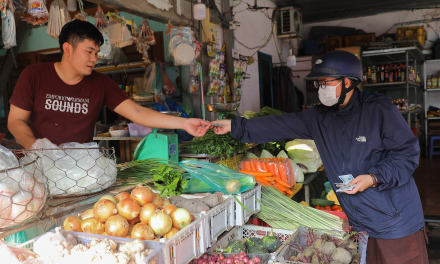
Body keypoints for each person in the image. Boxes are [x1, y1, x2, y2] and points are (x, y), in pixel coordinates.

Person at [212, 50, 428, 263]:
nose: (321, 88)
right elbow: (279, 124)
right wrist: (235, 126)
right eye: (319, 83)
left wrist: (373, 178)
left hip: (396, 222)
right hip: (360, 224)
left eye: (327, 82)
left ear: (348, 82)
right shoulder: (319, 117)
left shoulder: (378, 110)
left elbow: (406, 153)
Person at [8, 19, 210, 149]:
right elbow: (15, 121)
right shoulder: (34, 75)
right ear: (67, 49)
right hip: (40, 165)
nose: (94, 59)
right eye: (89, 52)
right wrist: (39, 150)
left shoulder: (101, 83)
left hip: (82, 168)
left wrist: (184, 123)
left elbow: (138, 113)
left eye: (96, 53)